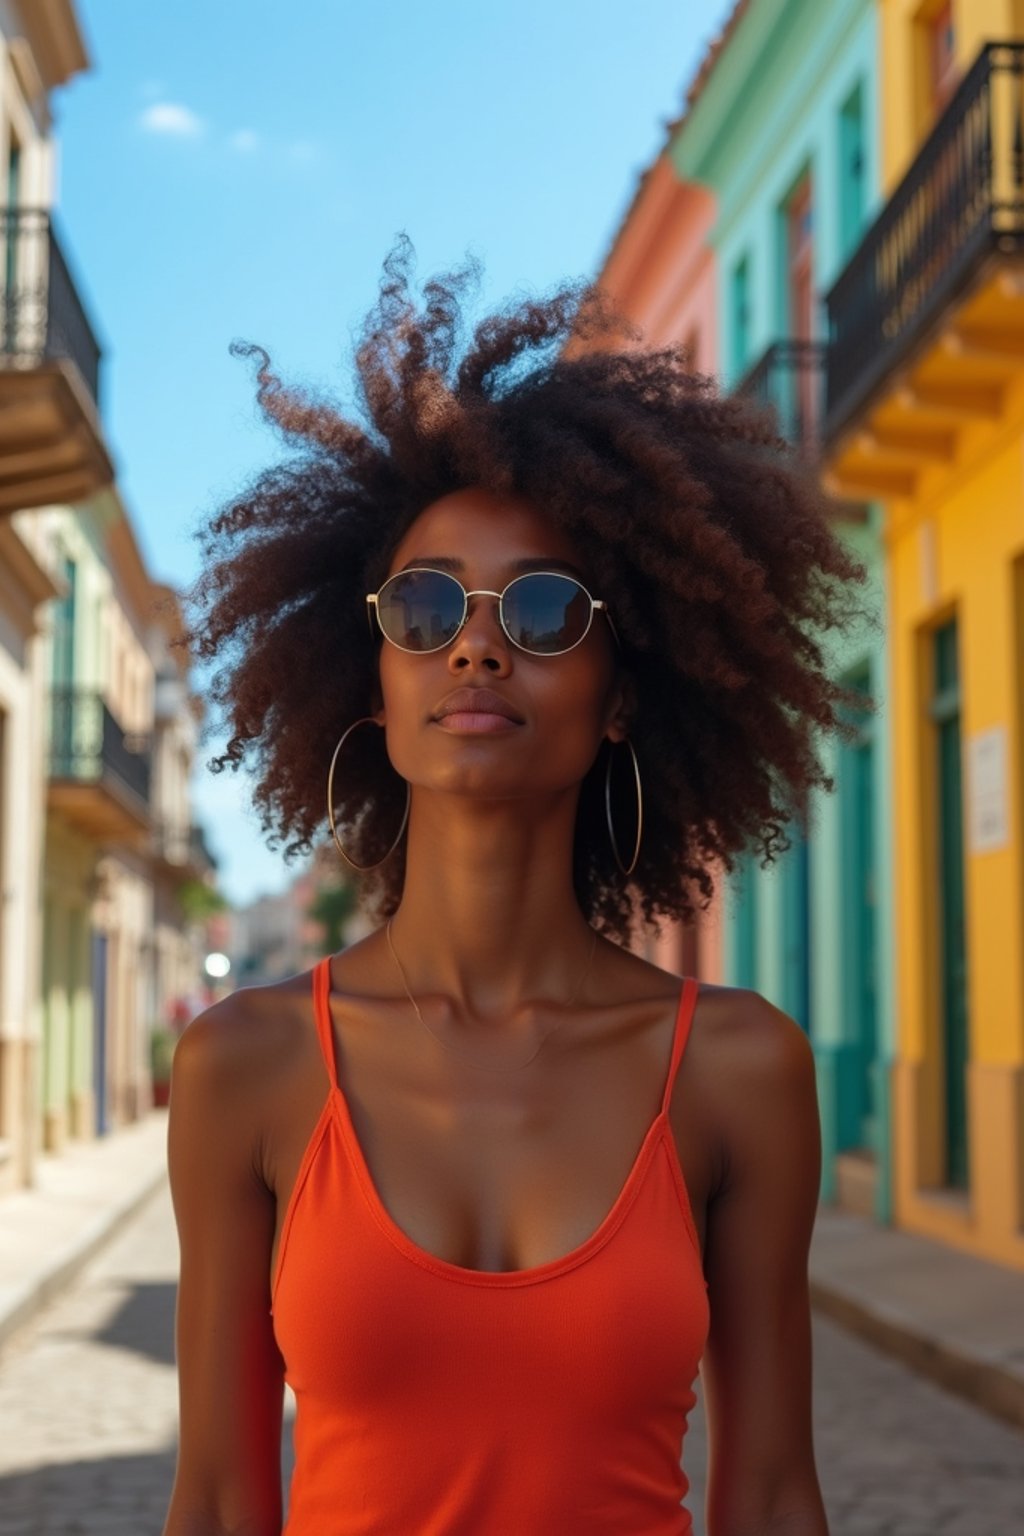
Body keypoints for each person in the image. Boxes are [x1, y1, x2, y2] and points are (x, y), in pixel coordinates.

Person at [163, 237, 868, 1535]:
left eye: (544, 613)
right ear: (370, 679)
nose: (477, 645)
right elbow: (213, 1498)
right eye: (424, 610)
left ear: (618, 699)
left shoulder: (737, 1068)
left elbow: (770, 1494)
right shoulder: (244, 1067)